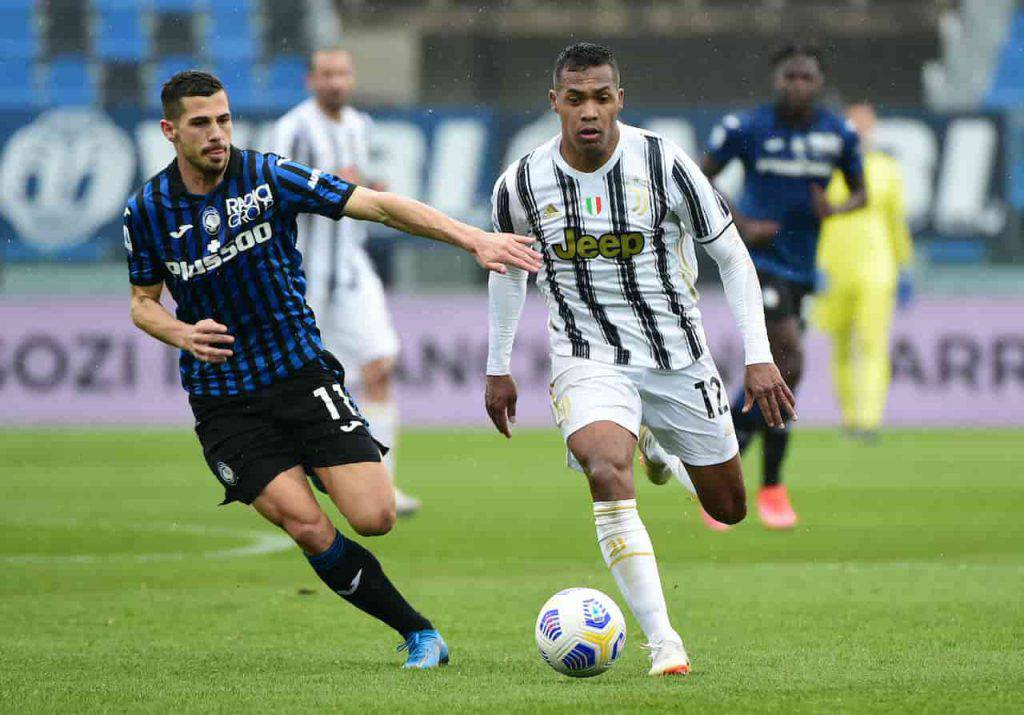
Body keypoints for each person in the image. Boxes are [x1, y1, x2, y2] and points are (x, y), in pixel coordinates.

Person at [124, 71, 540, 669]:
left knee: (375, 517)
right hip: (225, 402)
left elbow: (377, 205)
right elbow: (142, 303)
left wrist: (471, 237)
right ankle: (419, 633)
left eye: (223, 119)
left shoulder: (267, 176)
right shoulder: (147, 210)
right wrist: (182, 332)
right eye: (200, 124)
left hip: (300, 375)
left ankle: (319, 464)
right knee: (308, 527)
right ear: (171, 131)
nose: (216, 134)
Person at [484, 42, 795, 676]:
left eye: (601, 97)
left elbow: (732, 257)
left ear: (619, 99)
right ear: (555, 104)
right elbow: (508, 273)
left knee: (727, 509)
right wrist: (498, 364)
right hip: (586, 354)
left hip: (677, 357)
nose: (589, 111)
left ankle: (656, 444)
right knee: (604, 468)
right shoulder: (520, 183)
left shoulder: (665, 163)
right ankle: (664, 642)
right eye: (576, 99)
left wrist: (758, 359)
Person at [701, 44, 866, 530]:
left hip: (802, 268)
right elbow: (698, 176)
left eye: (807, 77)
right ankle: (762, 485)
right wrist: (742, 221)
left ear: (820, 82)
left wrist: (838, 208)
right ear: (777, 80)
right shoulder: (748, 128)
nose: (798, 85)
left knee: (779, 380)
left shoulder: (837, 133)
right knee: (790, 359)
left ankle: (732, 469)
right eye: (790, 76)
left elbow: (861, 193)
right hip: (757, 262)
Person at [270, 48, 421, 517]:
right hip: (304, 274)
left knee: (379, 366)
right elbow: (271, 195)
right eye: (327, 74)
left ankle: (384, 486)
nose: (336, 82)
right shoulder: (292, 129)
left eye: (343, 73)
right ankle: (285, 477)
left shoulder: (360, 126)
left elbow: (364, 186)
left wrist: (375, 186)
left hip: (351, 271)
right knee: (298, 381)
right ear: (311, 79)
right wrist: (330, 185)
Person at [815, 103, 914, 440]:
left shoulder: (886, 169)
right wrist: (814, 264)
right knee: (840, 344)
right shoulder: (826, 170)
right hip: (834, 267)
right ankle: (850, 417)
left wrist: (905, 266)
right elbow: (815, 220)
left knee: (871, 344)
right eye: (853, 126)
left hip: (877, 268)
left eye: (865, 126)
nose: (859, 132)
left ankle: (868, 421)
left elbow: (895, 222)